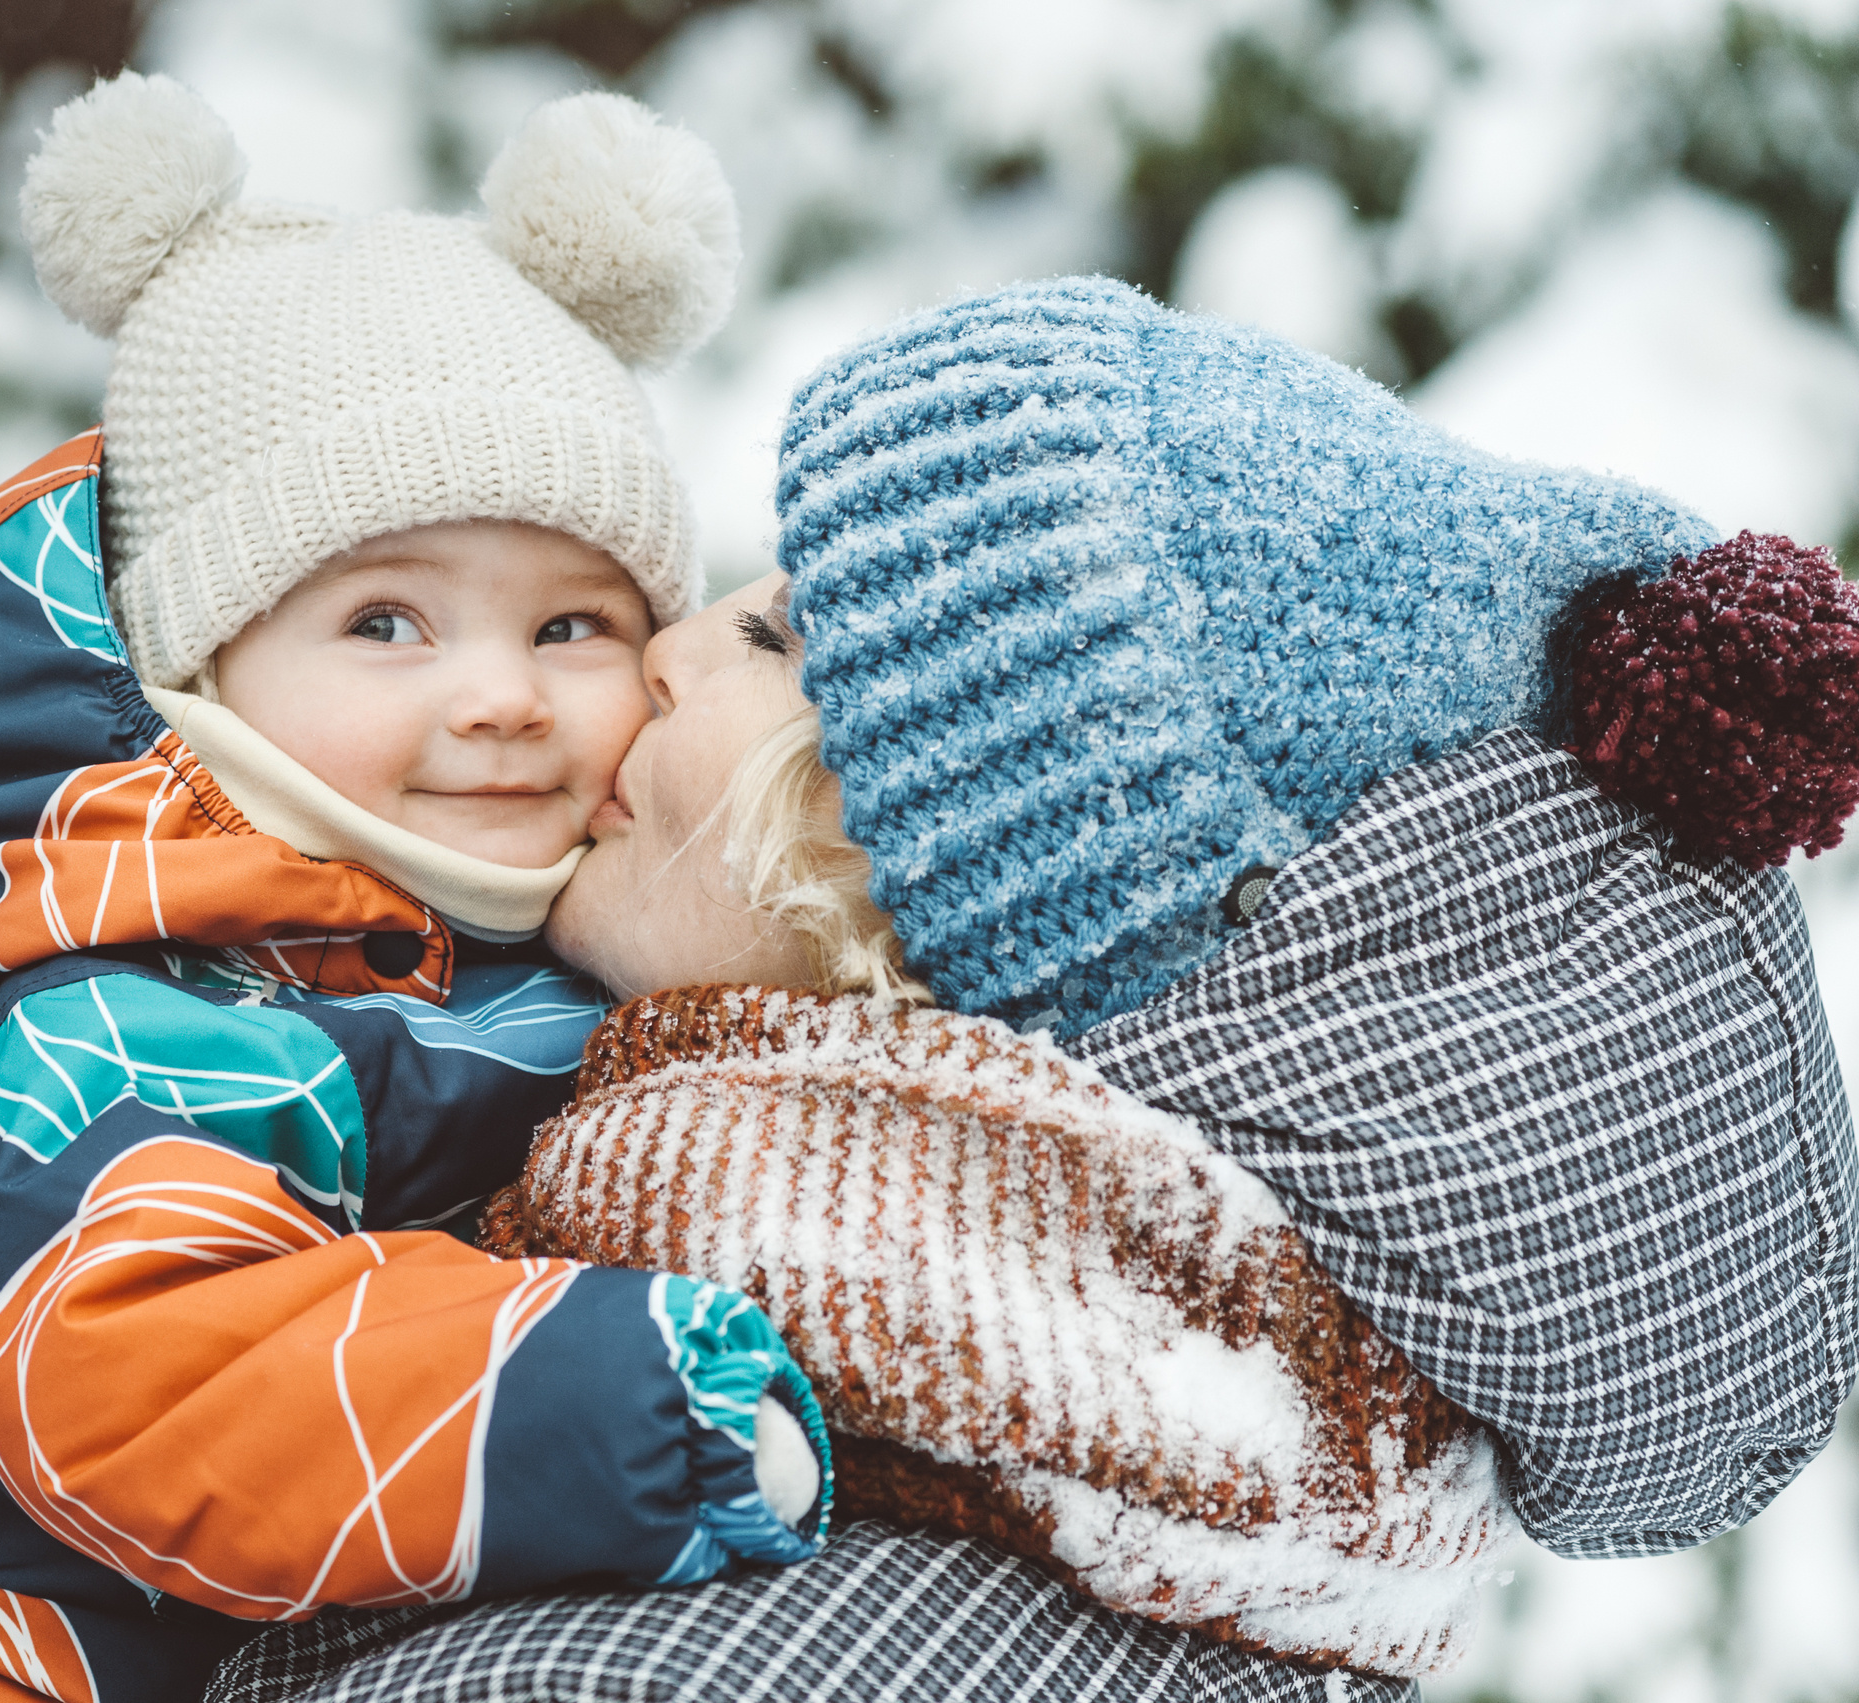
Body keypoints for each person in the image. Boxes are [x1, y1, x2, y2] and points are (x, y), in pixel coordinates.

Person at [203, 277, 1859, 1701]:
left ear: (961, 934)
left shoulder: (761, 1618)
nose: (666, 649)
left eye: (782, 647)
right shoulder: (1045, 1482)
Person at [0, 76, 834, 1703]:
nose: (503, 696)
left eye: (571, 626)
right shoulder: (137, 1017)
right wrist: (613, 1407)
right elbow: (136, 1368)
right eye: (386, 623)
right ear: (201, 668)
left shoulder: (506, 954)